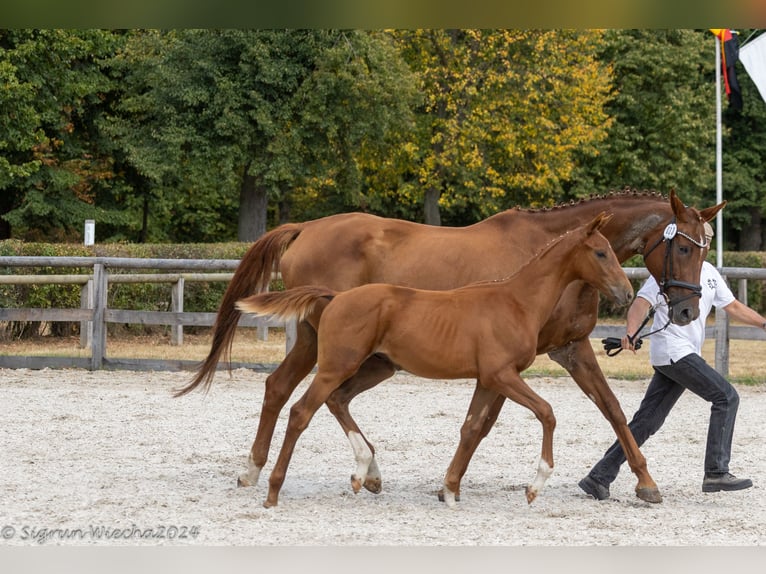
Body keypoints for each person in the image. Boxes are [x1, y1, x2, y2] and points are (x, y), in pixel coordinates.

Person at [580, 222, 764, 500]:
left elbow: (733, 306)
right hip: (673, 351)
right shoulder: (668, 272)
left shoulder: (710, 273)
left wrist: (763, 323)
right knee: (726, 397)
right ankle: (715, 471)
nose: (704, 245)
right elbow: (641, 303)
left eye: (707, 241)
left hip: (682, 354)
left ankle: (599, 476)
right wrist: (630, 332)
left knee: (647, 421)